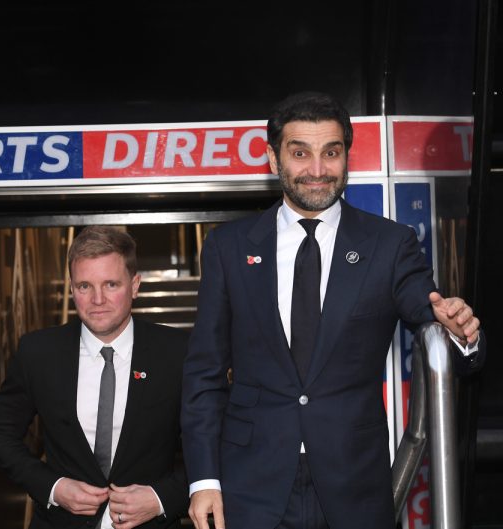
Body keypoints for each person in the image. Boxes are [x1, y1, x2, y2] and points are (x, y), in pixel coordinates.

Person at [181, 92, 484, 529]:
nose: (318, 169)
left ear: (346, 157)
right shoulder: (228, 248)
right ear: (273, 158)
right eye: (300, 153)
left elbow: (434, 314)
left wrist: (460, 329)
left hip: (353, 484)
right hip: (250, 485)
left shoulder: (389, 244)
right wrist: (204, 480)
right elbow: (204, 374)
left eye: (331, 152)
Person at [0, 226, 189, 529]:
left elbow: (215, 443)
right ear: (71, 289)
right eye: (84, 286)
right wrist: (53, 488)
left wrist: (161, 498)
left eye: (111, 284)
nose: (97, 299)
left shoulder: (177, 352)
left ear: (135, 286)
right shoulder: (38, 352)